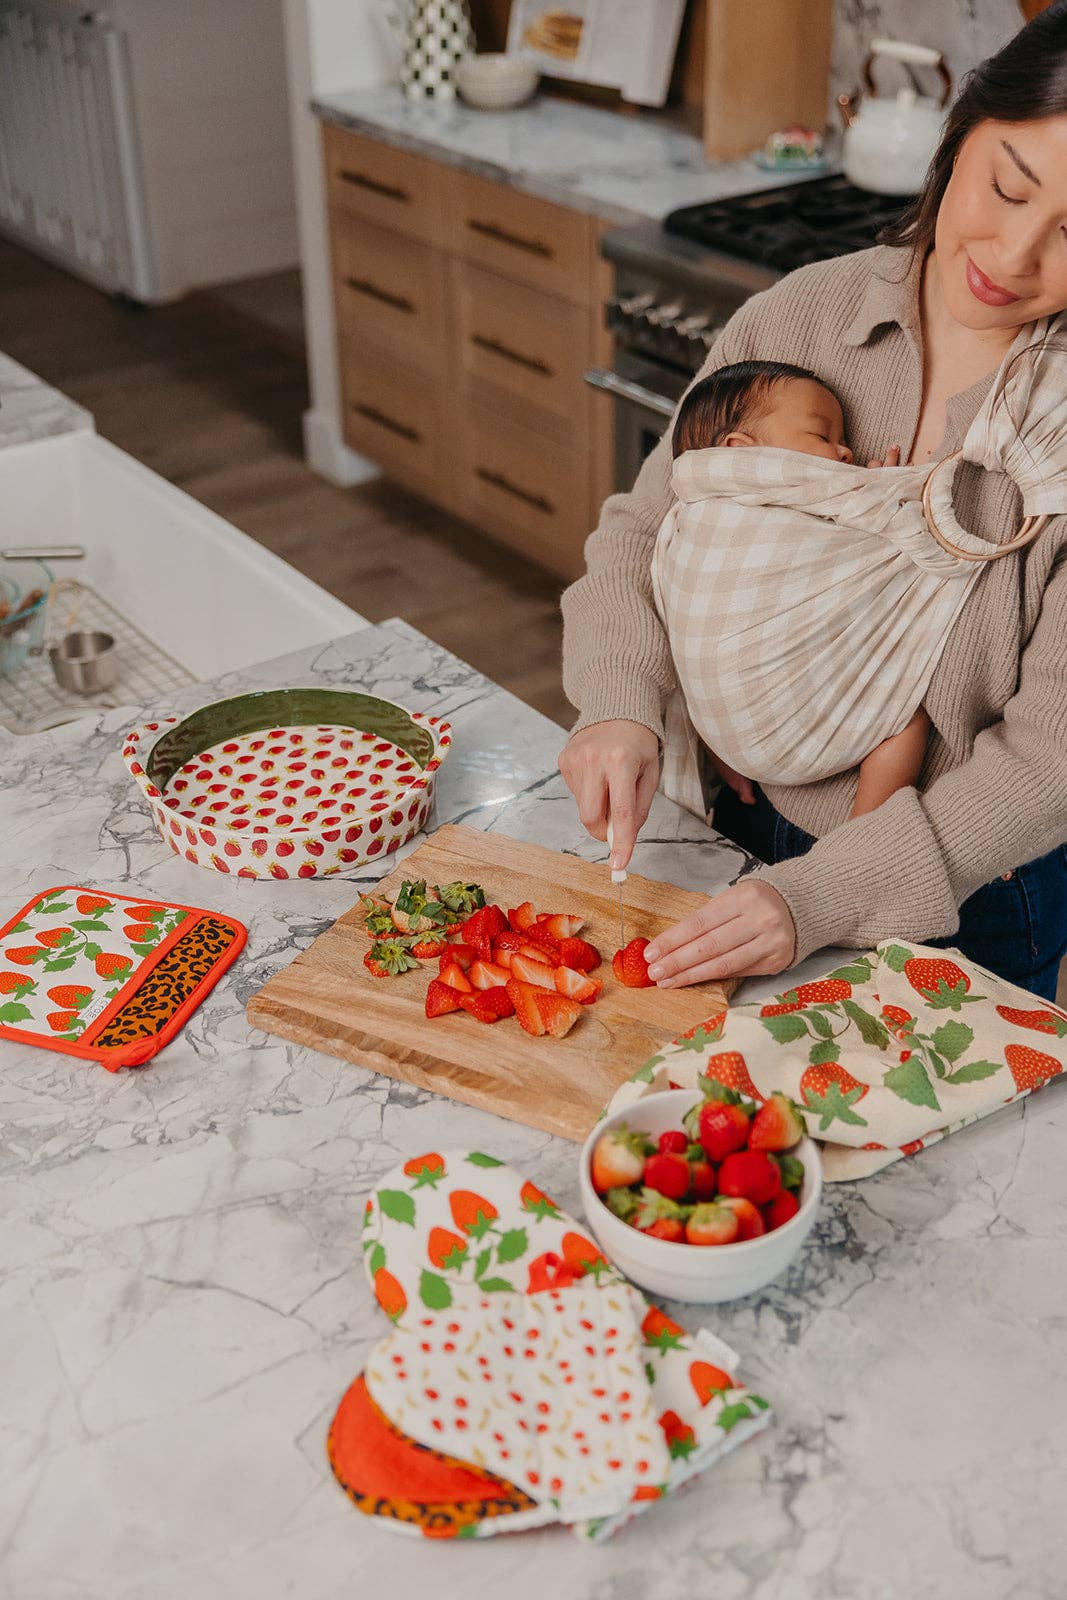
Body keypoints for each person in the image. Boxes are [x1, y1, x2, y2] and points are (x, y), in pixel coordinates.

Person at [558, 2, 1067, 1001]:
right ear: (960, 130)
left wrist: (824, 893)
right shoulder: (800, 315)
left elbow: (1047, 759)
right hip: (738, 826)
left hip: (967, 893)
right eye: (1007, 188)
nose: (1011, 256)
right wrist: (619, 707)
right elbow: (642, 539)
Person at [666, 358, 929, 821]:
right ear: (740, 452)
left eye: (841, 438)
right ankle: (863, 837)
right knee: (905, 716)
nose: (845, 453)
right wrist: (884, 493)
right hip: (744, 718)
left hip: (723, 730)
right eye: (822, 437)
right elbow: (898, 537)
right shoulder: (709, 513)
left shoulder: (686, 520)